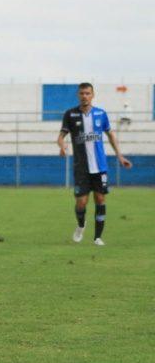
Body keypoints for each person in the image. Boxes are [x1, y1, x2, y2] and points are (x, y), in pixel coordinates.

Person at [57, 83, 132, 246]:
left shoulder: (101, 114)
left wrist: (120, 156)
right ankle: (81, 225)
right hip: (81, 168)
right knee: (81, 202)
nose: (85, 96)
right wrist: (62, 146)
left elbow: (111, 135)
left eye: (88, 93)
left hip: (100, 167)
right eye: (82, 93)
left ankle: (98, 237)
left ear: (93, 95)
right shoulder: (70, 114)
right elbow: (61, 136)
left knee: (100, 199)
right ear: (78, 95)